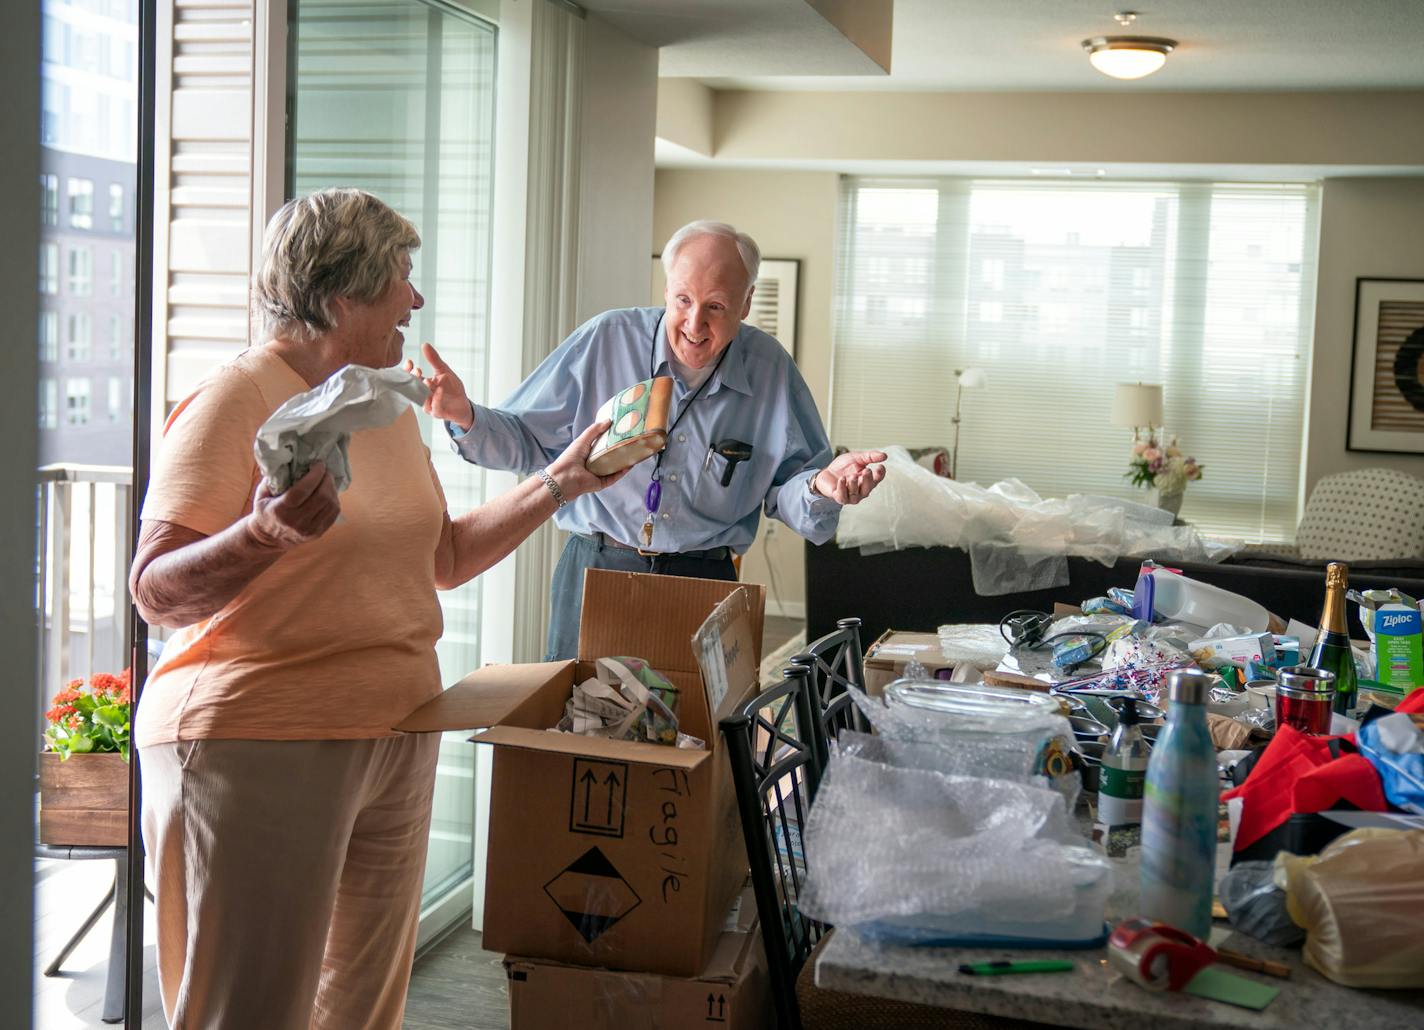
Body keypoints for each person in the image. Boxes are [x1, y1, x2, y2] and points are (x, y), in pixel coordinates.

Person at [128, 188, 623, 1030]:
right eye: (401, 277)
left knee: (361, 1013)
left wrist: (561, 482)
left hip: (395, 734)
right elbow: (154, 590)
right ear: (341, 295)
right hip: (260, 739)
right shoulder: (236, 399)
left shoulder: (379, 406)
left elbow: (445, 557)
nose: (416, 300)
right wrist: (262, 535)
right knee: (250, 1012)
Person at [408, 219, 886, 660]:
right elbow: (526, 442)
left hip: (705, 578)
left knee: (695, 741)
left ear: (746, 303)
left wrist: (823, 487)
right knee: (573, 732)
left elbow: (791, 489)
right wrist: (465, 415)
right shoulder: (606, 339)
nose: (695, 324)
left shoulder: (771, 370)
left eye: (717, 306)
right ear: (666, 290)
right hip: (595, 565)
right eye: (683, 300)